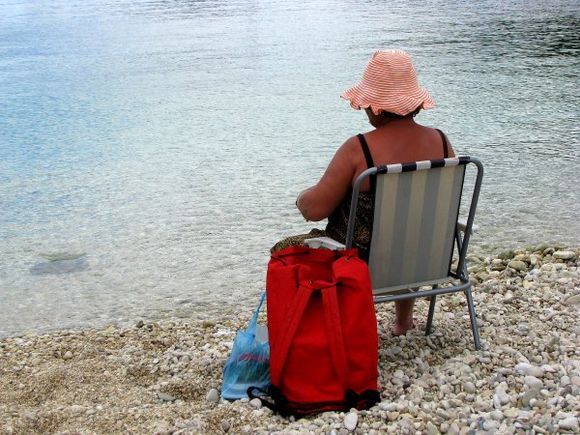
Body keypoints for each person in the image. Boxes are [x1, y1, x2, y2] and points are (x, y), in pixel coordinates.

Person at [271, 50, 454, 336]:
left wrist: (301, 198)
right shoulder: (441, 142)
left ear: (376, 106)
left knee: (285, 250)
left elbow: (315, 209)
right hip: (427, 260)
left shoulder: (360, 149)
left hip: (361, 264)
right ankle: (403, 322)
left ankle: (314, 334)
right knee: (407, 228)